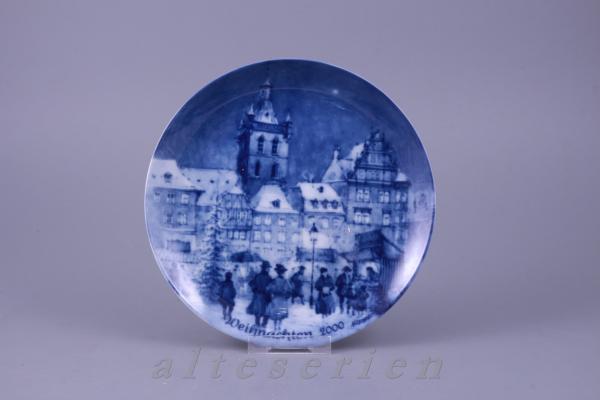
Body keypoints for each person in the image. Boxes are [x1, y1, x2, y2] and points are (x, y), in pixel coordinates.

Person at [266, 264, 293, 331]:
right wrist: (286, 295)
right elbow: (290, 290)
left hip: (277, 298)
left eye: (282, 272)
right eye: (282, 272)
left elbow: (268, 289)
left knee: (277, 312)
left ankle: (276, 327)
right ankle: (278, 327)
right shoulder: (284, 281)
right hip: (280, 299)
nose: (282, 273)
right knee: (279, 313)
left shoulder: (275, 280)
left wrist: (273, 292)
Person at [246, 261, 273, 327]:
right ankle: (261, 324)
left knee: (260, 311)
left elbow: (251, 283)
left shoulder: (262, 276)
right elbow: (251, 283)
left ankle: (261, 324)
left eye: (268, 268)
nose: (269, 269)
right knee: (263, 311)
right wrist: (255, 289)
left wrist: (254, 289)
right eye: (268, 268)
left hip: (261, 296)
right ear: (264, 268)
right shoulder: (266, 277)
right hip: (262, 296)